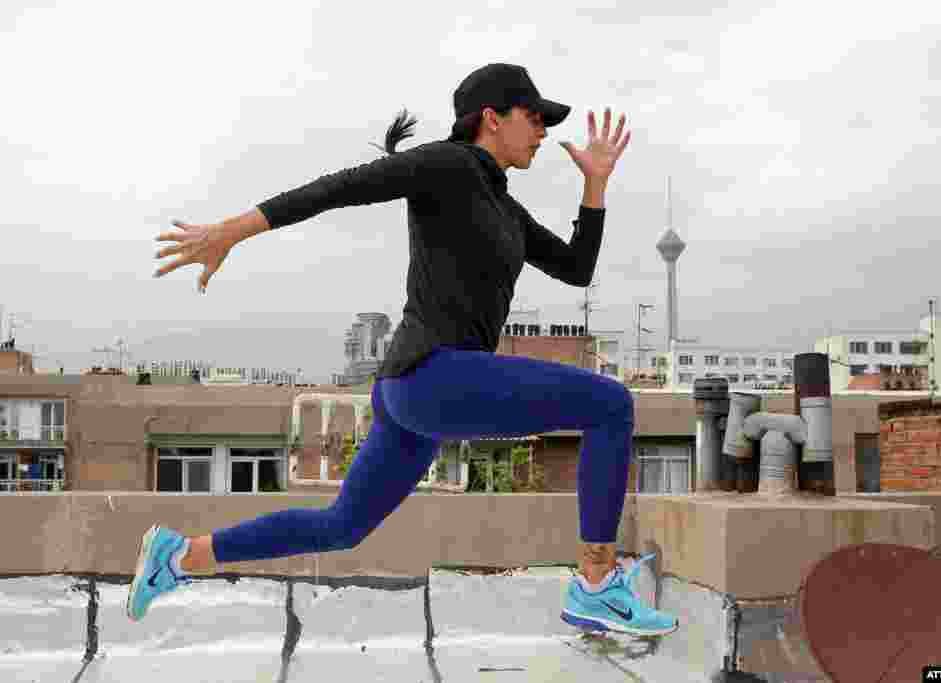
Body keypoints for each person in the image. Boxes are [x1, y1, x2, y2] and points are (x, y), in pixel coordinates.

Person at [131, 63, 678, 637]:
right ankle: (596, 581)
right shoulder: (447, 164)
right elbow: (338, 188)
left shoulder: (505, 209)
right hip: (433, 376)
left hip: (412, 391)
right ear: (491, 118)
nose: (543, 129)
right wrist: (230, 231)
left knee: (342, 526)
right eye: (534, 116)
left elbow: (575, 267)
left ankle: (180, 555)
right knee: (610, 404)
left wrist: (595, 185)